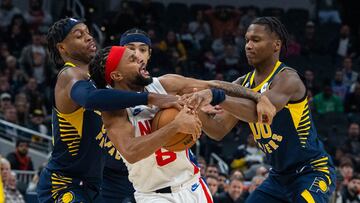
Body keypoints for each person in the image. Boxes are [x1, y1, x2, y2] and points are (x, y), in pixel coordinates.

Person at [100, 28, 277, 203]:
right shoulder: (113, 107)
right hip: (154, 195)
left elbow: (213, 84)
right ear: (117, 72)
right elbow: (131, 152)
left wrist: (258, 96)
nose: (138, 56)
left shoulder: (165, 84)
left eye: (142, 51)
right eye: (131, 53)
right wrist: (176, 125)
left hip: (193, 186)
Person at [186, 17, 336, 202]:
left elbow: (258, 112)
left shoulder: (288, 78)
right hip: (278, 177)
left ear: (276, 45)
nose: (248, 45)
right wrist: (193, 102)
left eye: (256, 40)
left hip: (312, 171)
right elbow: (218, 130)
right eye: (247, 40)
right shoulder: (242, 84)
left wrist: (216, 96)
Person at [36, 18, 182, 203]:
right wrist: (150, 98)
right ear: (62, 48)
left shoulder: (96, 80)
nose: (89, 37)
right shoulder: (69, 75)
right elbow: (90, 99)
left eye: (88, 32)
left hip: (93, 186)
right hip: (64, 184)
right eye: (79, 35)